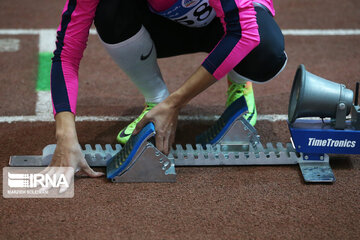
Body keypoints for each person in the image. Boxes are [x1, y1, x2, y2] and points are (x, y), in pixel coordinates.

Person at [49, 0, 286, 177]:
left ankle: (239, 81)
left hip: (228, 26)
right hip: (164, 27)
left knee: (265, 51)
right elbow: (66, 54)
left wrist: (175, 103)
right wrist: (65, 134)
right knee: (110, 11)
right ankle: (155, 99)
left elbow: (245, 32)